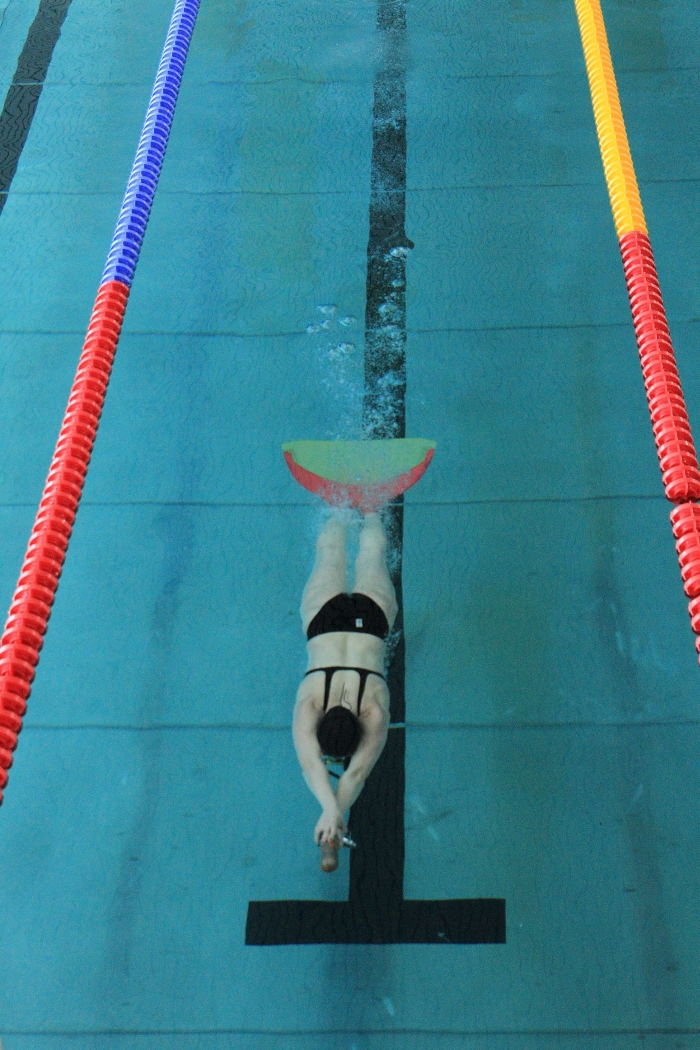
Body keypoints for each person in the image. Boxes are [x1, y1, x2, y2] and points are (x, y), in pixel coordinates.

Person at [293, 510, 398, 862]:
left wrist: (333, 812)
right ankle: (338, 510)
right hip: (323, 620)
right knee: (330, 551)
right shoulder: (311, 704)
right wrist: (329, 811)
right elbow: (311, 765)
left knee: (373, 553)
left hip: (372, 621)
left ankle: (373, 512)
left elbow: (356, 776)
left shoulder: (374, 712)